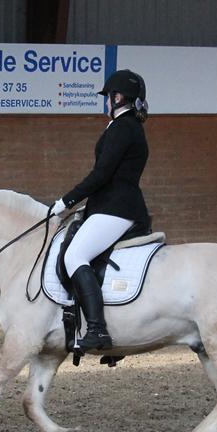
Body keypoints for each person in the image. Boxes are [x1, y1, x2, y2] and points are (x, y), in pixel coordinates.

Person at [50, 69, 152, 351]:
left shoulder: (123, 127)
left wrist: (66, 201)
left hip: (116, 208)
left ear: (117, 97)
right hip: (110, 204)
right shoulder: (127, 126)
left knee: (74, 255)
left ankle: (97, 329)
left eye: (108, 97)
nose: (107, 102)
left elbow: (102, 174)